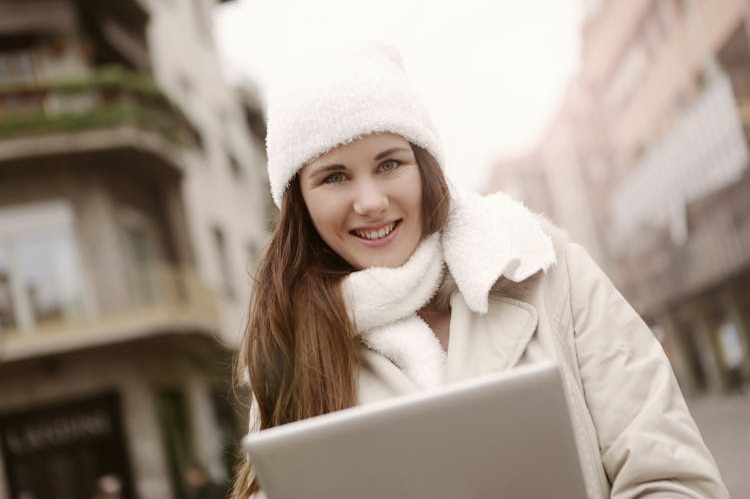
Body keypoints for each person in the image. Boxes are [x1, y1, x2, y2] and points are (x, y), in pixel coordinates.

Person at [232, 43, 728, 498]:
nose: (371, 201)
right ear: (301, 203)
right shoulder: (290, 348)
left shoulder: (547, 269)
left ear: (424, 166)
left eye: (389, 164)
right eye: (334, 177)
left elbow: (672, 475)